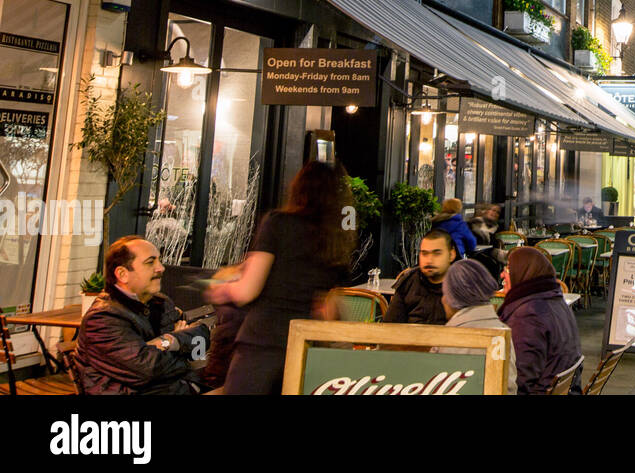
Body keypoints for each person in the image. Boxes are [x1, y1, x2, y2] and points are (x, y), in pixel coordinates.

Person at [207, 159, 354, 394]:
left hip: (263, 341)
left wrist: (221, 288)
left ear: (298, 188)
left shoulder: (278, 223)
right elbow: (328, 306)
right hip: (306, 345)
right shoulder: (336, 240)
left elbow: (247, 290)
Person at [80, 236, 210, 395]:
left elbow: (202, 337)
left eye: (159, 261)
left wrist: (169, 340)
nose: (161, 268)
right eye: (150, 262)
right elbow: (149, 370)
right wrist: (182, 351)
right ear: (122, 274)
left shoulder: (160, 302)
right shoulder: (103, 319)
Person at [497, 246, 583, 394]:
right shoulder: (556, 301)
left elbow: (519, 380)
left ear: (523, 273)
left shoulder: (528, 316)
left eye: (509, 269)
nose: (502, 275)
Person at [435, 259, 517, 394]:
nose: (443, 299)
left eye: (445, 293)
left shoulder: (448, 340)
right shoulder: (503, 333)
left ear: (453, 298)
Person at [383, 228, 457, 324]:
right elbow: (390, 326)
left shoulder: (462, 284)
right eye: (424, 253)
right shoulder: (409, 283)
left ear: (451, 255)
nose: (429, 260)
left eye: (437, 253)